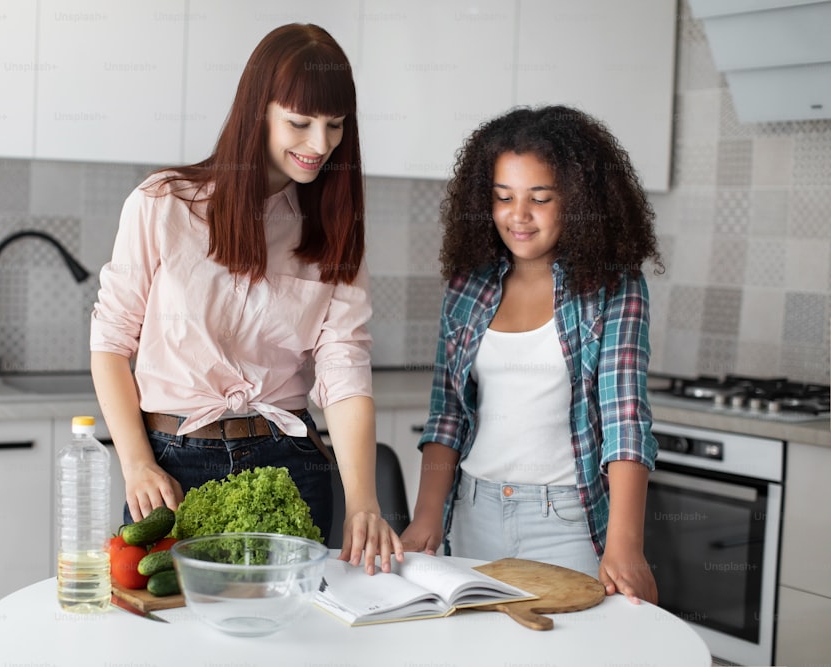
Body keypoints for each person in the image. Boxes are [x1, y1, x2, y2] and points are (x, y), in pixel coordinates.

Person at [89, 23, 402, 573]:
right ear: (258, 110)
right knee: (169, 637)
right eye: (300, 123)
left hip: (290, 465)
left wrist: (364, 504)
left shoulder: (334, 233)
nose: (320, 144)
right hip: (171, 469)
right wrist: (136, 464)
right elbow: (111, 343)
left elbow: (345, 370)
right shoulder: (163, 204)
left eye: (335, 126)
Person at [400, 105, 662, 603]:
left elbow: (625, 419)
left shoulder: (613, 288)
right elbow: (448, 414)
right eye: (503, 198)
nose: (518, 216)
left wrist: (626, 544)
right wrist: (427, 517)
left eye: (540, 199)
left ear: (580, 202)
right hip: (473, 511)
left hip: (567, 523)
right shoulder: (468, 285)